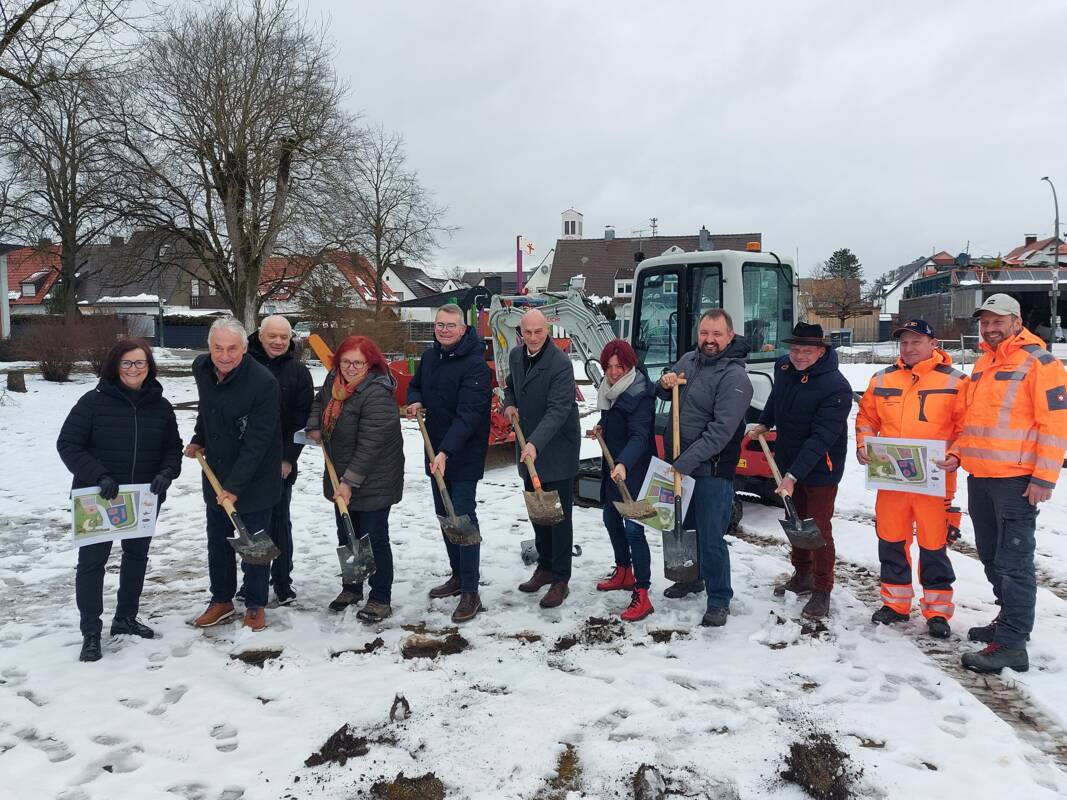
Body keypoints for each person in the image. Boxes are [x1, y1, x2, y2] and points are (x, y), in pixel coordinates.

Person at [950, 294, 1067, 673]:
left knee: (1014, 563)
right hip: (980, 477)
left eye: (998, 320)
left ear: (1016, 322)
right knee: (989, 556)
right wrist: (957, 452)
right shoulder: (984, 363)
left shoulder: (1041, 363)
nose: (990, 327)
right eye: (985, 322)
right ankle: (1008, 620)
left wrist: (1044, 477)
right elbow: (974, 421)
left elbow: (1055, 424)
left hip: (1017, 481)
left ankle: (1013, 644)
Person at [57, 339, 182, 662]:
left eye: (140, 363)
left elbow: (173, 448)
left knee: (136, 557)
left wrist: (167, 472)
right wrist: (98, 475)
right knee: (92, 563)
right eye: (127, 363)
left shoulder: (161, 406)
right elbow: (68, 444)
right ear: (115, 366)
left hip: (142, 498)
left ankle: (125, 617)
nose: (133, 369)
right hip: (99, 498)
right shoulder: (93, 403)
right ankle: (90, 631)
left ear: (149, 367)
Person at [855, 319, 967, 638]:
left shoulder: (957, 382)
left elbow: (966, 429)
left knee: (934, 547)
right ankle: (896, 604)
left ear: (934, 344)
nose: (909, 347)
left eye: (916, 341)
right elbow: (866, 418)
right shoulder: (882, 378)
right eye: (904, 342)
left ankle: (937, 612)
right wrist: (864, 444)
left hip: (934, 481)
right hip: (892, 480)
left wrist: (956, 456)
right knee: (891, 542)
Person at [749, 322, 852, 621]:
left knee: (817, 526)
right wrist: (766, 422)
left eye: (807, 350)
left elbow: (821, 439)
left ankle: (822, 588)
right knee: (795, 521)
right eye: (795, 349)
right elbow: (775, 399)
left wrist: (792, 477)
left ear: (821, 351)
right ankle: (802, 574)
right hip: (788, 458)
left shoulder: (836, 386)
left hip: (822, 466)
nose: (799, 356)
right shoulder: (784, 369)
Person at [184, 317, 282, 632]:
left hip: (255, 477)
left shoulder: (263, 383)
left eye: (232, 349)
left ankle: (255, 604)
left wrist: (235, 487)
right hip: (216, 472)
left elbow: (258, 442)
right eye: (217, 348)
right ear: (209, 347)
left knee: (254, 543)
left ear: (244, 348)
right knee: (218, 541)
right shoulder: (202, 369)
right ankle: (222, 599)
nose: (224, 355)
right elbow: (207, 409)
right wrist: (200, 437)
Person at [658, 309, 753, 627]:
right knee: (688, 529)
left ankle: (719, 597)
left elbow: (719, 433)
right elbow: (665, 388)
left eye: (716, 334)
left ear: (730, 336)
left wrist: (682, 463)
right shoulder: (688, 360)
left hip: (711, 471)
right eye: (704, 333)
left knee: (712, 537)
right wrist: (665, 380)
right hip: (682, 467)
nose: (709, 340)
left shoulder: (735, 377)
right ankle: (691, 579)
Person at [307, 335, 403, 623]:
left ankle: (380, 597)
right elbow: (318, 402)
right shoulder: (334, 381)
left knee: (374, 537)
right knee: (347, 534)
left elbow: (371, 444)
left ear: (370, 363)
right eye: (346, 361)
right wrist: (314, 425)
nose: (350, 368)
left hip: (375, 476)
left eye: (357, 363)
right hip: (340, 472)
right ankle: (351, 587)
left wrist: (349, 482)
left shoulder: (377, 392)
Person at [406, 304, 492, 623]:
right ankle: (457, 576)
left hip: (462, 455)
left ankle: (471, 591)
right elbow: (416, 386)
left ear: (464, 328)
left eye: (450, 325)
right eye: (440, 325)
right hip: (436, 453)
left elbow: (469, 416)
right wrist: (413, 399)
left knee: (463, 518)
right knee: (445, 515)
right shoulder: (431, 357)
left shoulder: (475, 366)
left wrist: (445, 452)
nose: (443, 330)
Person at [503, 308, 581, 608]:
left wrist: (535, 443)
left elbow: (559, 409)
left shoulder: (560, 364)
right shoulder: (515, 356)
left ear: (547, 330)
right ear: (521, 332)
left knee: (559, 516)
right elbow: (511, 386)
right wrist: (509, 404)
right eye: (528, 332)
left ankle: (561, 577)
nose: (533, 337)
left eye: (538, 331)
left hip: (556, 448)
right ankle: (545, 567)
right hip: (528, 447)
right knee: (539, 512)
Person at [247, 315, 314, 605]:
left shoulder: (298, 372)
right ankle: (252, 578)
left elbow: (301, 419)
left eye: (284, 338)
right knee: (250, 524)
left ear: (291, 339)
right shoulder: (244, 365)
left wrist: (288, 458)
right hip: (247, 461)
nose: (278, 342)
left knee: (279, 521)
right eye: (272, 336)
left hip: (280, 462)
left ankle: (283, 580)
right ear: (260, 336)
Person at [589, 340, 657, 622]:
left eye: (620, 366)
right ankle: (624, 570)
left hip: (635, 470)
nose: (614, 372)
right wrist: (602, 429)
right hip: (614, 468)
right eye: (609, 366)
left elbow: (640, 435)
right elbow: (615, 422)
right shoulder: (609, 391)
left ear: (631, 366)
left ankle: (642, 592)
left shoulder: (641, 393)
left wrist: (624, 463)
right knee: (610, 519)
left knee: (634, 531)